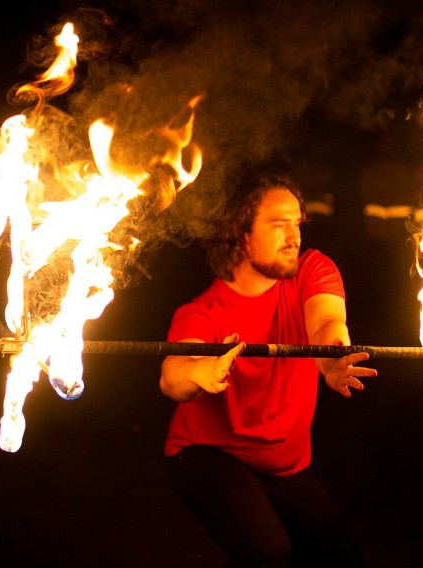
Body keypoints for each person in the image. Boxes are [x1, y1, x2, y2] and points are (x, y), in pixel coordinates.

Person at [159, 172, 378, 567]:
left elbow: (328, 323)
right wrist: (200, 374)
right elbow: (172, 376)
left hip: (284, 461)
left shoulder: (312, 270)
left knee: (340, 559)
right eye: (279, 225)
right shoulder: (202, 312)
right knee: (267, 552)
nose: (294, 236)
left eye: (296, 223)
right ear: (241, 234)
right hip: (209, 454)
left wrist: (331, 359)